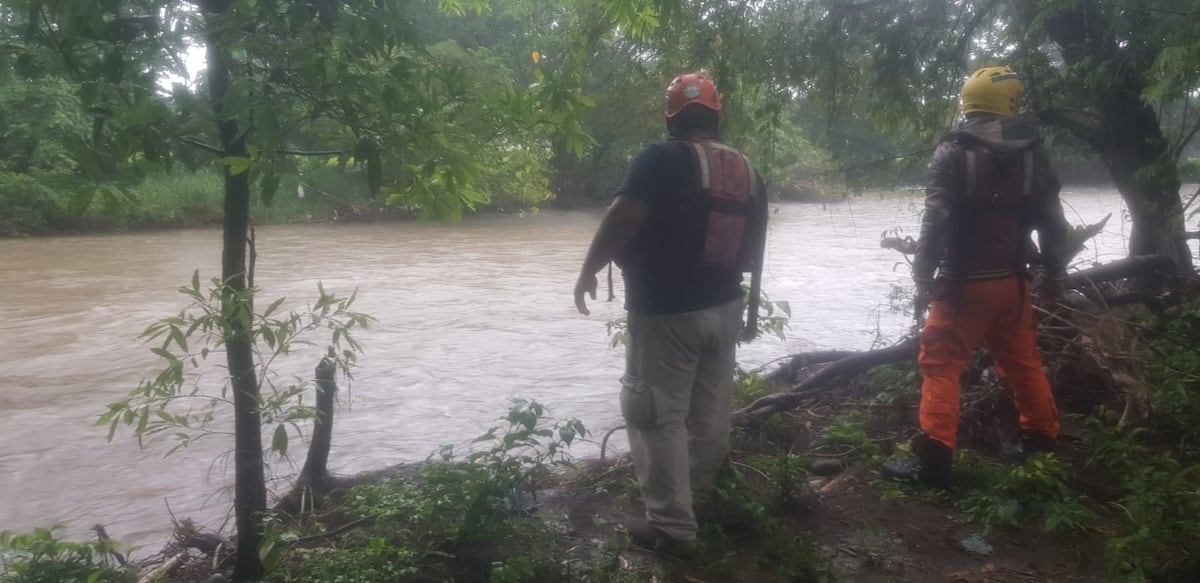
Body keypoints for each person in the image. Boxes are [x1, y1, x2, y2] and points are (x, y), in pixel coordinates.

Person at [573, 72, 768, 550]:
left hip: (664, 312)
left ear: (671, 116)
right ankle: (698, 502)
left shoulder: (658, 158)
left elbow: (623, 218)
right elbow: (754, 245)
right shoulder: (746, 168)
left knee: (655, 414)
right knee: (708, 414)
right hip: (725, 307)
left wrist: (588, 271)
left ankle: (671, 527)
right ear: (716, 114)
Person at [883, 66, 1070, 489]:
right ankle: (1041, 444)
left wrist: (922, 273)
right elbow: (1053, 222)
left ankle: (933, 465)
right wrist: (1055, 273)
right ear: (1011, 101)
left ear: (969, 101)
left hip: (963, 285)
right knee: (1022, 362)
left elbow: (936, 219)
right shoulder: (1034, 152)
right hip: (1014, 283)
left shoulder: (953, 152)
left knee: (940, 364)